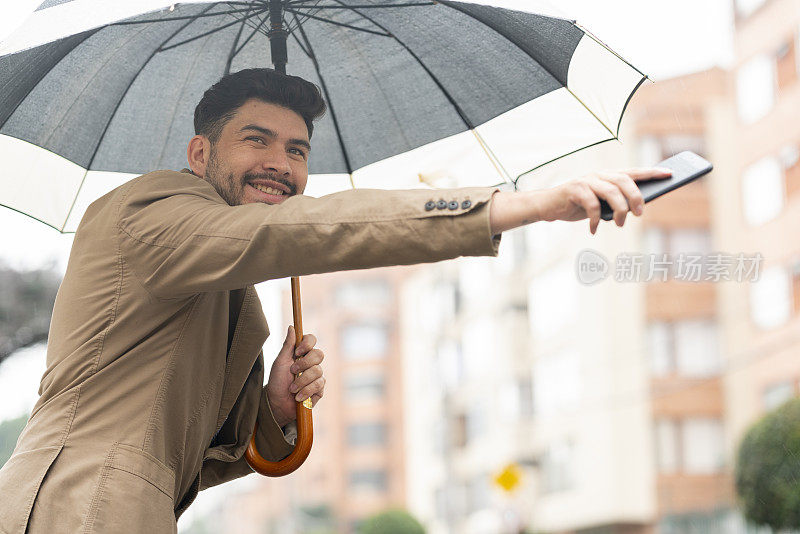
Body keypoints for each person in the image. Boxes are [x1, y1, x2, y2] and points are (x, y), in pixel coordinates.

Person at [0, 68, 670, 534]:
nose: (280, 164)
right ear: (199, 152)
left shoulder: (223, 269)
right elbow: (300, 228)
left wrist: (273, 408)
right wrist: (517, 205)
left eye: (297, 150)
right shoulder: (150, 209)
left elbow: (190, 458)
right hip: (75, 506)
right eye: (255, 139)